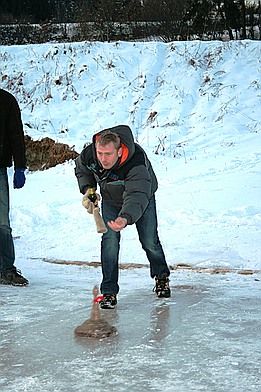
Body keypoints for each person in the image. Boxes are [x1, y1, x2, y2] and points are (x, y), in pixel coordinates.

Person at [75, 124, 170, 309]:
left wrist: (125, 217)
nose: (103, 159)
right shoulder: (91, 154)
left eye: (108, 154)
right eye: (100, 153)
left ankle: (161, 276)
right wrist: (89, 190)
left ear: (119, 152)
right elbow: (81, 169)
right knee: (109, 240)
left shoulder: (136, 162)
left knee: (149, 240)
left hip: (142, 197)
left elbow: (137, 195)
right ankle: (109, 292)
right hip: (111, 198)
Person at [0, 89, 29, 286]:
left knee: (2, 222)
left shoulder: (5, 101)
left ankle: (7, 269)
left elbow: (16, 134)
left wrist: (20, 166)